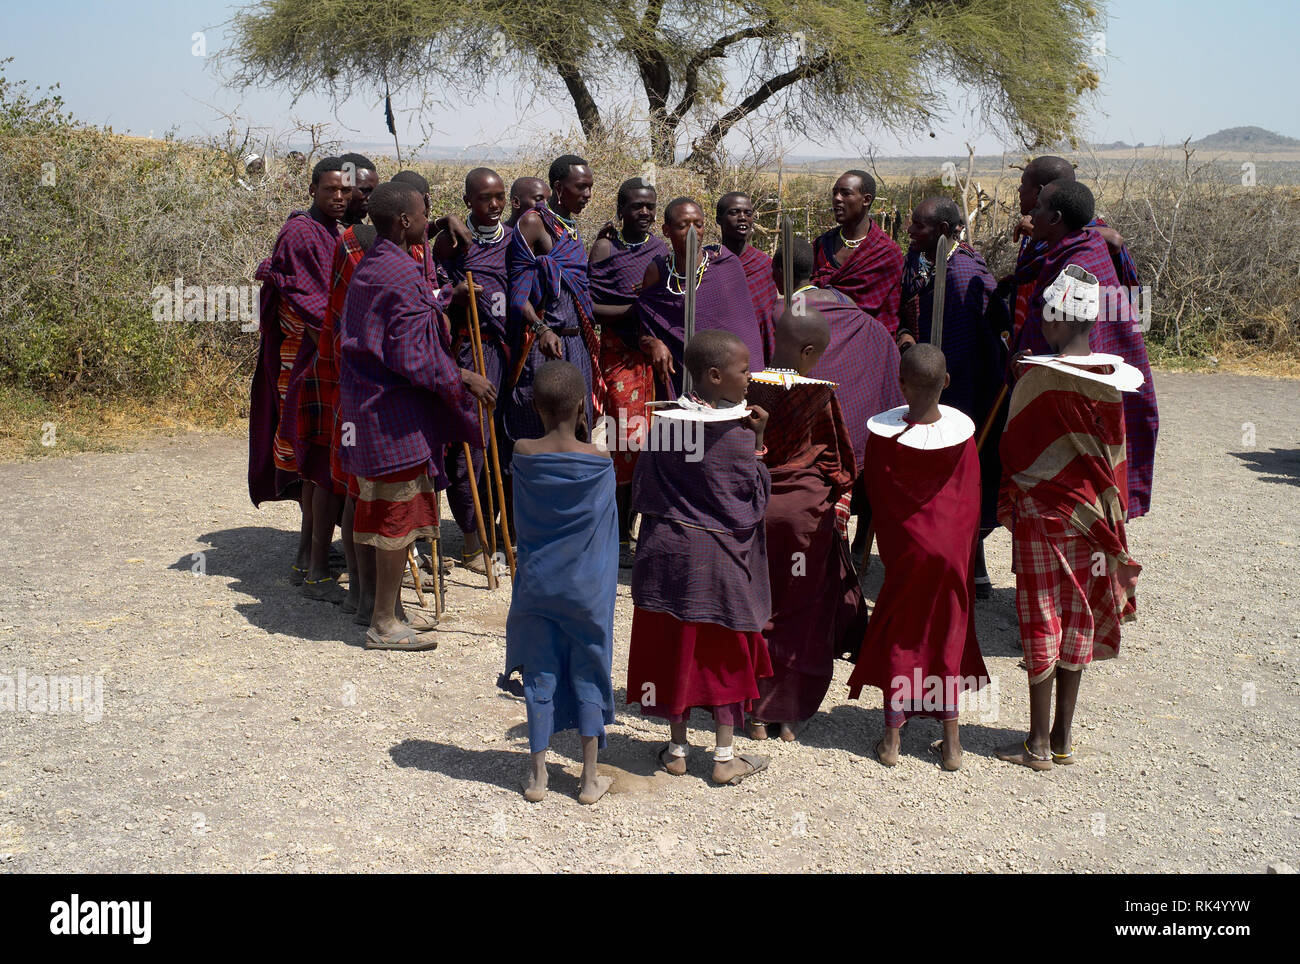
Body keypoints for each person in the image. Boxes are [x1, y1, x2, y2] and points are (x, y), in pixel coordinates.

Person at [996, 266, 1143, 771]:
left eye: (1045, 314)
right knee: (1078, 615)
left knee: (1041, 614)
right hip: (1093, 518)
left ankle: (1035, 743)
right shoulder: (1109, 382)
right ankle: (1063, 738)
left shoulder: (1036, 379)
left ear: (1057, 318)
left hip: (1043, 514)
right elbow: (1113, 456)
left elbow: (1013, 448)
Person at [338, 182, 496, 649]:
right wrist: (463, 378)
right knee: (397, 513)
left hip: (375, 409)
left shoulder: (384, 264)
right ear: (405, 220)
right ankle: (384, 624)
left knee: (382, 508)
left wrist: (444, 301)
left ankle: (380, 605)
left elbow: (408, 322)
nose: (430, 219)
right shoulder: (396, 273)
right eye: (425, 212)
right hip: (392, 415)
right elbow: (411, 353)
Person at [626, 329, 773, 785]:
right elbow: (751, 501)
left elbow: (644, 491)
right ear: (715, 375)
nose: (752, 378)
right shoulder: (737, 436)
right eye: (744, 370)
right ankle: (724, 756)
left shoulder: (666, 424)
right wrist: (762, 442)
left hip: (669, 561)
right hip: (721, 568)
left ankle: (676, 749)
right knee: (721, 657)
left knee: (677, 652)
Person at [846, 345, 989, 771]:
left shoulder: (884, 442)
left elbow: (879, 498)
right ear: (946, 382)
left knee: (901, 634)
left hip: (907, 557)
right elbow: (970, 501)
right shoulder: (963, 442)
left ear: (901, 384)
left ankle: (891, 741)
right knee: (947, 635)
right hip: (950, 560)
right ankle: (951, 745)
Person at [1005, 158, 1158, 519]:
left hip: (1077, 381)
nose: (1022, 195)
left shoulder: (1082, 259)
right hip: (1073, 373)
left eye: (1028, 189)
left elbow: (1066, 331)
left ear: (1049, 203)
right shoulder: (1074, 240)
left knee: (1072, 483)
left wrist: (1029, 365)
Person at [745, 306, 863, 741]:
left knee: (761, 606)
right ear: (809, 351)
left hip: (757, 513)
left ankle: (755, 710)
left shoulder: (749, 386)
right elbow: (839, 462)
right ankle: (789, 712)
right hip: (804, 520)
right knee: (803, 611)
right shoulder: (820, 393)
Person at [506, 360, 618, 805]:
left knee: (541, 669)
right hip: (586, 590)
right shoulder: (600, 461)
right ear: (581, 405)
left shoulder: (522, 452)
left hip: (537, 586)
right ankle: (589, 780)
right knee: (590, 669)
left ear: (536, 406)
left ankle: (537, 778)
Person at [898, 197, 1008, 596]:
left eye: (920, 227)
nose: (911, 232)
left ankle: (970, 566)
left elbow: (975, 345)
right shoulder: (921, 262)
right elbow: (907, 312)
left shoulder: (963, 272)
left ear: (944, 231)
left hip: (961, 390)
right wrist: (906, 337)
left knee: (960, 475)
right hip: (927, 381)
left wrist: (944, 389)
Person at [771, 238, 904, 565]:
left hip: (805, 449)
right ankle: (851, 555)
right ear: (814, 271)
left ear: (777, 274)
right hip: (859, 439)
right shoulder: (853, 312)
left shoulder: (781, 316)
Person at [248, 156, 347, 586]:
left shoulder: (335, 231)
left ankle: (310, 555)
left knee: (316, 462)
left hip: (323, 353)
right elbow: (310, 306)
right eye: (331, 190)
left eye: (345, 190)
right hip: (306, 359)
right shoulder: (301, 233)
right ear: (312, 191)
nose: (339, 197)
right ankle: (312, 562)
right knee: (315, 459)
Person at [435, 167, 513, 574]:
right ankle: (470, 543)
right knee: (472, 448)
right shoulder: (450, 244)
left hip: (504, 352)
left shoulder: (513, 239)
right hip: (469, 350)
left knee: (499, 447)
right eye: (485, 199)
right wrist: (456, 295)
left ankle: (496, 531)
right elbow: (430, 293)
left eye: (500, 196)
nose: (495, 205)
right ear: (468, 202)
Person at [588, 178, 668, 562]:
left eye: (650, 206)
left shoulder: (660, 251)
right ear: (621, 210)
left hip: (651, 361)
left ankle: (633, 529)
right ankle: (618, 534)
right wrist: (632, 310)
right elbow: (589, 305)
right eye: (637, 206)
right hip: (618, 357)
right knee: (623, 443)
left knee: (647, 445)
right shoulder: (605, 248)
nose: (645, 213)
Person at [505, 155, 604, 447]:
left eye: (590, 187)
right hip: (546, 346)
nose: (587, 195)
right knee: (539, 426)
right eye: (581, 187)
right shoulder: (534, 223)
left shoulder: (569, 228)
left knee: (578, 428)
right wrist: (541, 329)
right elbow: (518, 294)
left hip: (577, 344)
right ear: (559, 188)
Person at [635, 198, 764, 397]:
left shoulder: (726, 265)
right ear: (666, 230)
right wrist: (654, 343)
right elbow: (644, 330)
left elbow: (744, 330)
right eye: (683, 226)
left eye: (698, 224)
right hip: (680, 379)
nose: (693, 232)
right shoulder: (658, 272)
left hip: (730, 383)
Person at [810, 170, 906, 334]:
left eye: (845, 193)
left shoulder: (887, 253)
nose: (837, 199)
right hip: (822, 339)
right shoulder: (822, 244)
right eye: (835, 193)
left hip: (868, 341)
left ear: (866, 200)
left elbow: (890, 309)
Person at [715, 191, 778, 346]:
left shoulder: (764, 265)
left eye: (748, 213)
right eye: (734, 212)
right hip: (720, 346)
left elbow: (767, 317)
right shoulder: (710, 265)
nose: (743, 217)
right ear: (719, 220)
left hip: (756, 346)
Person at [338, 153, 379, 227]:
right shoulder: (316, 230)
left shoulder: (357, 226)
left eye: (374, 192)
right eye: (365, 190)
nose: (371, 198)